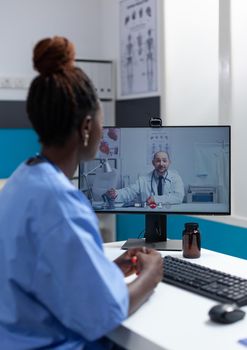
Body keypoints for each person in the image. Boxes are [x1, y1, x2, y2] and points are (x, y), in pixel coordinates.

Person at [0, 36, 163, 350]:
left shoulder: (24, 180)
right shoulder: (60, 202)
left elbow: (46, 273)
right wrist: (152, 275)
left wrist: (109, 271)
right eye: (102, 120)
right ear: (87, 126)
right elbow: (104, 314)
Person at [106, 151, 184, 206]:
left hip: (170, 214)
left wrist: (155, 199)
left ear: (169, 162)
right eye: (158, 161)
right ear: (153, 163)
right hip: (150, 213)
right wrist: (116, 194)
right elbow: (129, 192)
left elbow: (178, 197)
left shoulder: (176, 178)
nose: (161, 164)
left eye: (164, 161)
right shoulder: (143, 180)